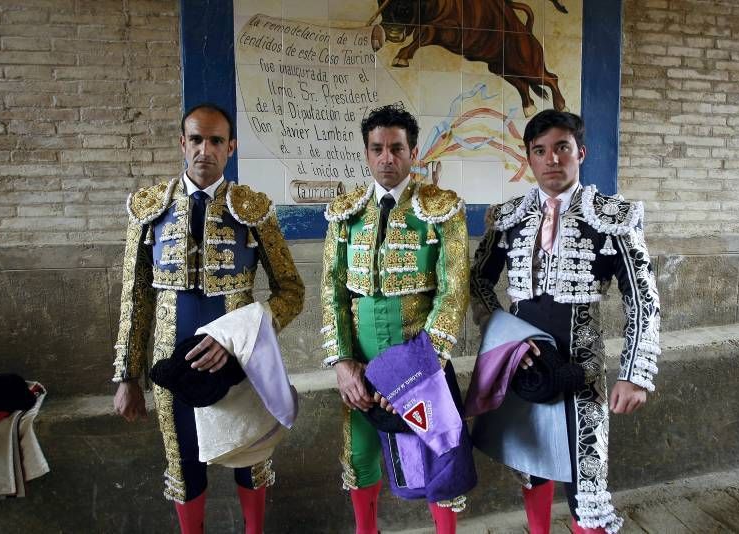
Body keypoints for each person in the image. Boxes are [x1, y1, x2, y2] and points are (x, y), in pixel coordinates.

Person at [111, 103, 305, 534]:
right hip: (171, 364)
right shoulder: (148, 209)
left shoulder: (254, 209)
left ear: (230, 147)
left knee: (251, 462)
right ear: (182, 143)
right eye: (196, 139)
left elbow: (291, 291)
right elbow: (135, 296)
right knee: (184, 468)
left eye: (216, 140)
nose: (205, 149)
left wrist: (240, 336)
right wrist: (127, 376)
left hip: (240, 361)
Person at [468, 110, 660, 534]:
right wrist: (501, 333)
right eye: (540, 151)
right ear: (529, 159)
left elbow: (643, 299)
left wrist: (635, 374)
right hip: (525, 363)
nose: (551, 159)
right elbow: (478, 279)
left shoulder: (611, 217)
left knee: (586, 483)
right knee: (532, 464)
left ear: (580, 153)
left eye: (561, 148)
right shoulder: (508, 217)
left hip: (582, 368)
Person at [320, 104, 472, 534]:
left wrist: (417, 371)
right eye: (378, 148)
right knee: (361, 454)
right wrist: (342, 362)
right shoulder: (344, 212)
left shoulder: (441, 208)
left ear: (413, 151)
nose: (387, 157)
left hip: (420, 358)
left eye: (396, 148)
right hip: (360, 362)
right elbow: (331, 290)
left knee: (436, 454)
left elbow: (454, 288)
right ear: (366, 153)